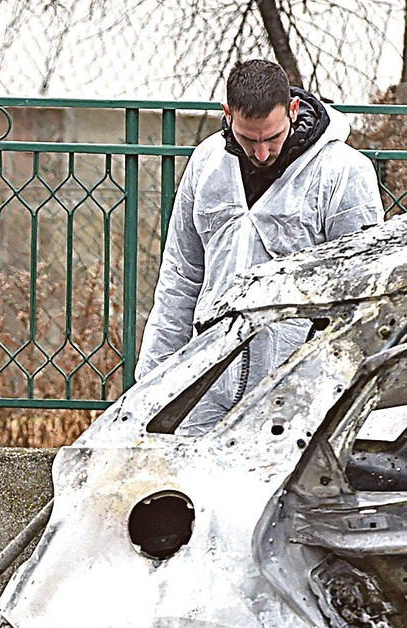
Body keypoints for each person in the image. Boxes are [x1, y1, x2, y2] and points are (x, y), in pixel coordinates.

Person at [136, 58, 384, 433]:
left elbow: (366, 298)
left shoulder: (342, 172)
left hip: (298, 393)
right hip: (205, 384)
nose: (263, 153)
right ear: (227, 115)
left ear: (293, 110)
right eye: (249, 139)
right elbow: (180, 277)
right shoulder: (206, 164)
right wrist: (152, 383)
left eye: (272, 137)